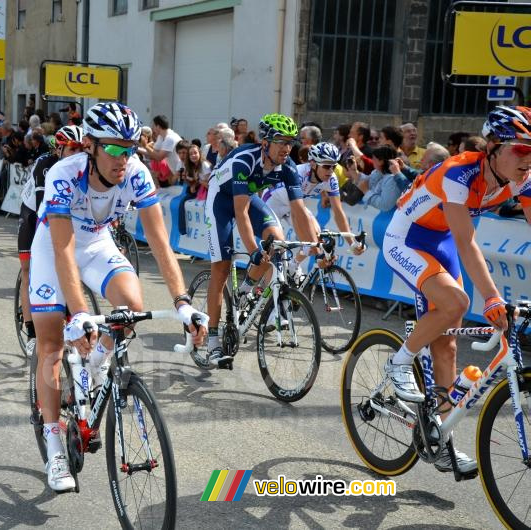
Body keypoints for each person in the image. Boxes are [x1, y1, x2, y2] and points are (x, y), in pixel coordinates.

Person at [29, 102, 207, 492]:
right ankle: (55, 441)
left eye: (129, 149)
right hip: (54, 247)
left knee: (132, 308)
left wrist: (183, 302)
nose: (122, 158)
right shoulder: (64, 174)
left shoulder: (137, 175)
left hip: (95, 244)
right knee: (52, 345)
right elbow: (61, 252)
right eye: (113, 149)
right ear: (90, 146)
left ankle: (96, 361)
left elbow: (162, 244)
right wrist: (77, 314)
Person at [383, 105, 531, 473]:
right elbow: (468, 243)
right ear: (493, 147)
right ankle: (398, 362)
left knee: (447, 344)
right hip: (407, 238)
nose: (529, 159)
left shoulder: (523, 177)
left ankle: (440, 438)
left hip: (442, 242)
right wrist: (494, 296)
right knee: (456, 302)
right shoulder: (458, 172)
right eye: (522, 149)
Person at [204, 113, 318, 366]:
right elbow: (240, 212)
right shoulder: (245, 160)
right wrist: (253, 249)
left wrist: (314, 246)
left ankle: (246, 288)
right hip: (221, 201)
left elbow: (299, 211)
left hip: (248, 198)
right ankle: (212, 341)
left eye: (291, 142)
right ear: (265, 143)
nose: (287, 148)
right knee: (221, 269)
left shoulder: (287, 167)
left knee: (277, 243)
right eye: (281, 141)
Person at [17, 125, 86, 358]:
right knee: (29, 269)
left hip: (64, 215)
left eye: (80, 148)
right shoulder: (45, 165)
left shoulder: (85, 164)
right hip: (32, 215)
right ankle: (32, 332)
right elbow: (40, 212)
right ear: (59, 149)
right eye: (72, 149)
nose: (77, 153)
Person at [263, 142, 365, 278]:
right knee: (276, 251)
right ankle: (258, 290)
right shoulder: (298, 175)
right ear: (312, 163)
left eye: (334, 166)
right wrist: (319, 254)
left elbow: (339, 213)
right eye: (326, 166)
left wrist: (352, 242)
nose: (331, 171)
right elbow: (297, 215)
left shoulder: (331, 179)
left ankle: (293, 265)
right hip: (272, 203)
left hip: (294, 205)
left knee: (317, 238)